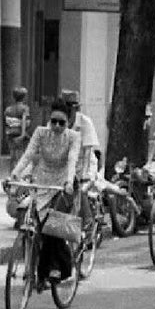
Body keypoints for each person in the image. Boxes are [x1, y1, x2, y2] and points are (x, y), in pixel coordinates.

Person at [11, 98, 82, 283]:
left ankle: (59, 269)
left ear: (69, 122)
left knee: (52, 229)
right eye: (53, 121)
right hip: (40, 183)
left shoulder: (73, 137)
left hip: (61, 185)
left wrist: (68, 183)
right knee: (37, 227)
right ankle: (40, 270)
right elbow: (28, 155)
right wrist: (15, 174)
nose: (57, 126)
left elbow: (72, 160)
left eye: (62, 123)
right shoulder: (40, 133)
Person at [60, 90, 101, 231]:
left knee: (80, 191)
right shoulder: (57, 122)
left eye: (70, 108)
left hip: (85, 165)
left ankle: (88, 222)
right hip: (66, 166)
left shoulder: (85, 122)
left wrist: (84, 175)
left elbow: (88, 150)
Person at [3, 87, 31, 158]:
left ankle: (12, 169)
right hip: (20, 134)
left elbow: (6, 122)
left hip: (10, 133)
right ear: (24, 97)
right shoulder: (24, 108)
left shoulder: (8, 109)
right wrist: (23, 134)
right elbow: (24, 121)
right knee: (20, 156)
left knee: (12, 155)